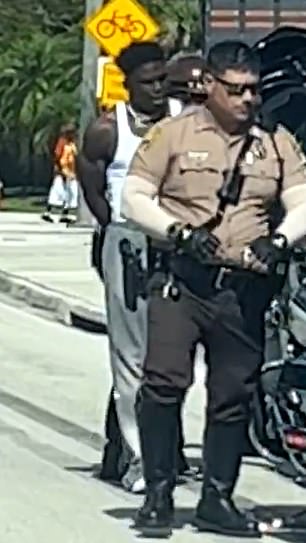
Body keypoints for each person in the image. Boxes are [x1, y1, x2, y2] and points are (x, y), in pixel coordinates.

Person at [121, 39, 306, 537]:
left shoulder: (276, 141)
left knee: (232, 395)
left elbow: (301, 198)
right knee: (163, 383)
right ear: (211, 87)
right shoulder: (173, 134)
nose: (248, 100)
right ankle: (158, 493)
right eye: (236, 90)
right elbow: (134, 197)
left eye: (253, 91)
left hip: (243, 290)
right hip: (182, 283)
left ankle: (216, 499)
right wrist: (177, 232)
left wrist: (281, 239)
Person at [76, 41, 187, 494]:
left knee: (174, 354)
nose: (159, 89)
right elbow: (93, 186)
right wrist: (117, 232)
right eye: (149, 82)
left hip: (181, 242)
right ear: (128, 85)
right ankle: (140, 460)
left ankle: (167, 448)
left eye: (163, 79)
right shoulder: (108, 130)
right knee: (131, 358)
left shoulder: (186, 121)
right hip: (129, 243)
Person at [42, 124, 78, 224]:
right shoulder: (62, 143)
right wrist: (60, 170)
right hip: (62, 171)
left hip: (71, 173)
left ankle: (65, 214)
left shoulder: (72, 144)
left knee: (70, 194)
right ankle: (48, 212)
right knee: (57, 192)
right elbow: (57, 156)